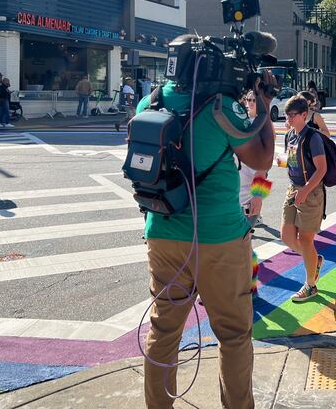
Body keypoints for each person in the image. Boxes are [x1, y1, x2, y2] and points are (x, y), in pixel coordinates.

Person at [139, 52, 276, 409]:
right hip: (221, 238)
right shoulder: (222, 108)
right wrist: (264, 104)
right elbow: (261, 158)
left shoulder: (151, 101)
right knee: (233, 334)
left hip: (163, 233)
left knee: (163, 332)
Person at [279, 94, 326, 302]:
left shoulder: (313, 138)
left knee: (306, 240)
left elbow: (322, 169)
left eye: (292, 115)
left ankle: (311, 285)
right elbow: (290, 160)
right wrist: (283, 161)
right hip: (293, 189)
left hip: (310, 192)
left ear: (304, 115)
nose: (288, 118)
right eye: (286, 115)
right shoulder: (289, 135)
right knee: (287, 236)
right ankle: (314, 260)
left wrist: (305, 190)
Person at [238, 91, 269, 231]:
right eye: (248, 99)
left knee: (244, 236)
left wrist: (258, 196)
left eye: (254, 100)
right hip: (235, 192)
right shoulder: (240, 121)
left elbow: (264, 168)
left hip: (249, 194)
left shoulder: (262, 125)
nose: (250, 102)